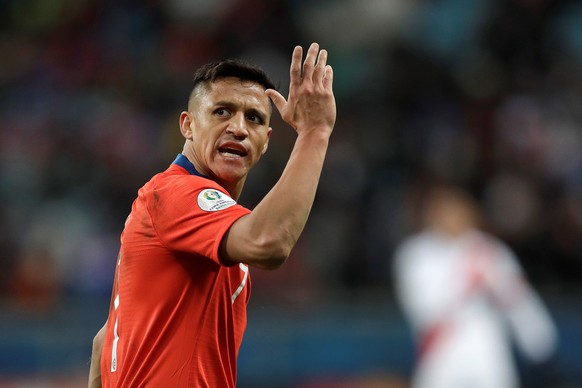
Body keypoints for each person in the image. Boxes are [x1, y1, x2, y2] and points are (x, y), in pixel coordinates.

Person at [88, 42, 336, 387]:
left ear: (265, 141)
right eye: (222, 111)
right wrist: (314, 132)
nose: (238, 127)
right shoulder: (178, 194)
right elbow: (269, 242)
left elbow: (106, 338)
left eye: (254, 118)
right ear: (187, 126)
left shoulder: (194, 214)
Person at [392, 185, 558, 388]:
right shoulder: (417, 253)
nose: (454, 218)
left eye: (459, 211)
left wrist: (538, 340)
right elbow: (423, 308)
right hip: (441, 347)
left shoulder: (489, 249)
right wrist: (466, 282)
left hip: (487, 345)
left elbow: (517, 297)